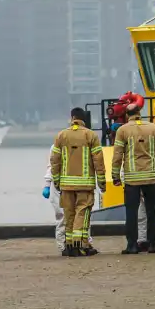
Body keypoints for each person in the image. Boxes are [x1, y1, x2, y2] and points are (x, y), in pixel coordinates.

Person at [50, 107, 106, 257]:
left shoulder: (61, 135)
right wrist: (101, 181)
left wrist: (56, 180)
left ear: (72, 117)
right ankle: (79, 245)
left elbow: (54, 160)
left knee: (69, 215)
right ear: (84, 119)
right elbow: (98, 161)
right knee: (82, 213)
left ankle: (69, 246)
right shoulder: (90, 135)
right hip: (85, 184)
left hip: (66, 184)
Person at [112, 103, 155, 254]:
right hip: (151, 177)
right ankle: (152, 244)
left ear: (127, 115)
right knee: (152, 211)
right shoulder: (153, 128)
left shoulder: (123, 130)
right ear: (140, 112)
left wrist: (115, 175)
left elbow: (117, 155)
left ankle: (132, 245)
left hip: (132, 180)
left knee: (131, 213)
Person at [43, 162, 99, 255]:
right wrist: (48, 184)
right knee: (65, 217)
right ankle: (64, 245)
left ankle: (83, 244)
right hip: (62, 185)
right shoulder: (57, 147)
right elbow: (52, 164)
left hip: (73, 183)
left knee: (81, 215)